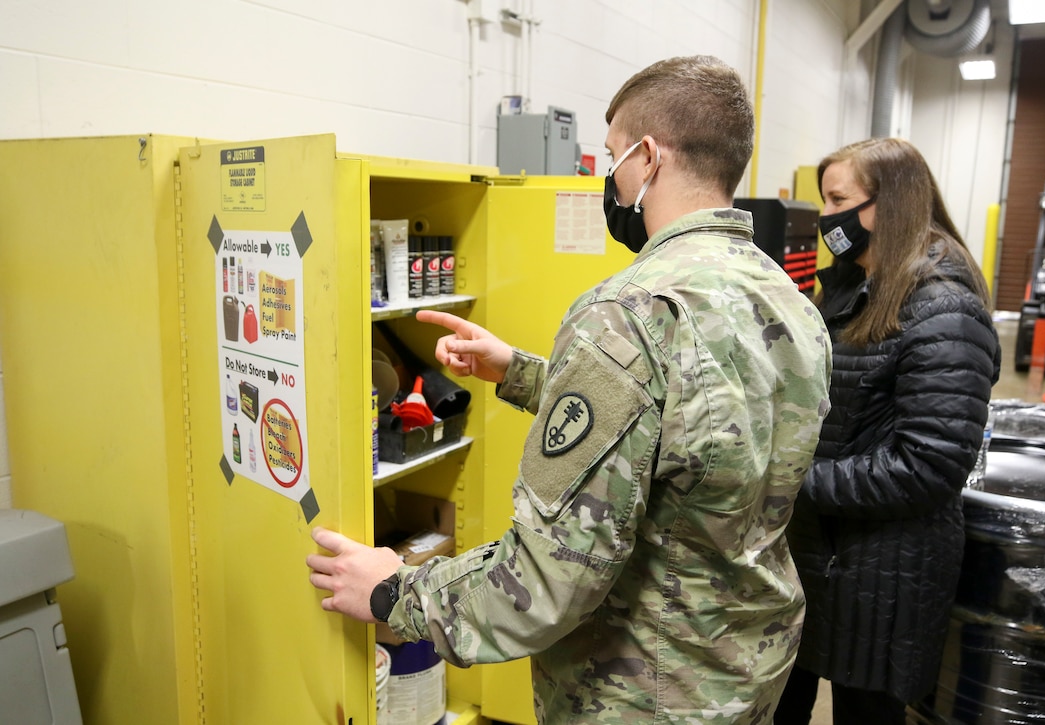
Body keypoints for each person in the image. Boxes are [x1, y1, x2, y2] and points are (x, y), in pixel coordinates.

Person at [307, 55, 832, 723]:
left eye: (611, 157)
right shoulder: (788, 300)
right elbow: (698, 429)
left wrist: (393, 592)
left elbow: (545, 583)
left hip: (642, 692)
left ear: (647, 158)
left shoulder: (628, 313)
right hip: (747, 669)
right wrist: (520, 371)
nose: (607, 178)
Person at [772, 138, 1001, 725]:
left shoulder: (943, 307)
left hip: (886, 569)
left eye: (838, 200)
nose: (827, 218)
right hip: (818, 552)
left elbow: (929, 466)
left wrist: (792, 482)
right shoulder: (847, 288)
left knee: (864, 710)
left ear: (889, 204)